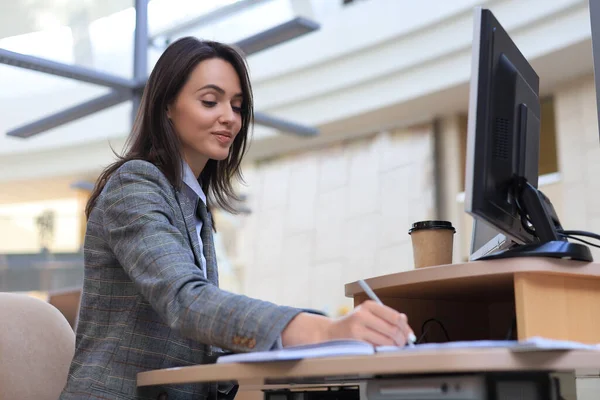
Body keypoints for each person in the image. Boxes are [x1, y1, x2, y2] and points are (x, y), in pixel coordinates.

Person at [60, 37, 414, 400]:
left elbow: (197, 330)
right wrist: (322, 331)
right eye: (210, 101)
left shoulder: (194, 204)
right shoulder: (134, 183)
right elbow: (186, 303)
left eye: (237, 105)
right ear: (168, 105)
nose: (229, 117)